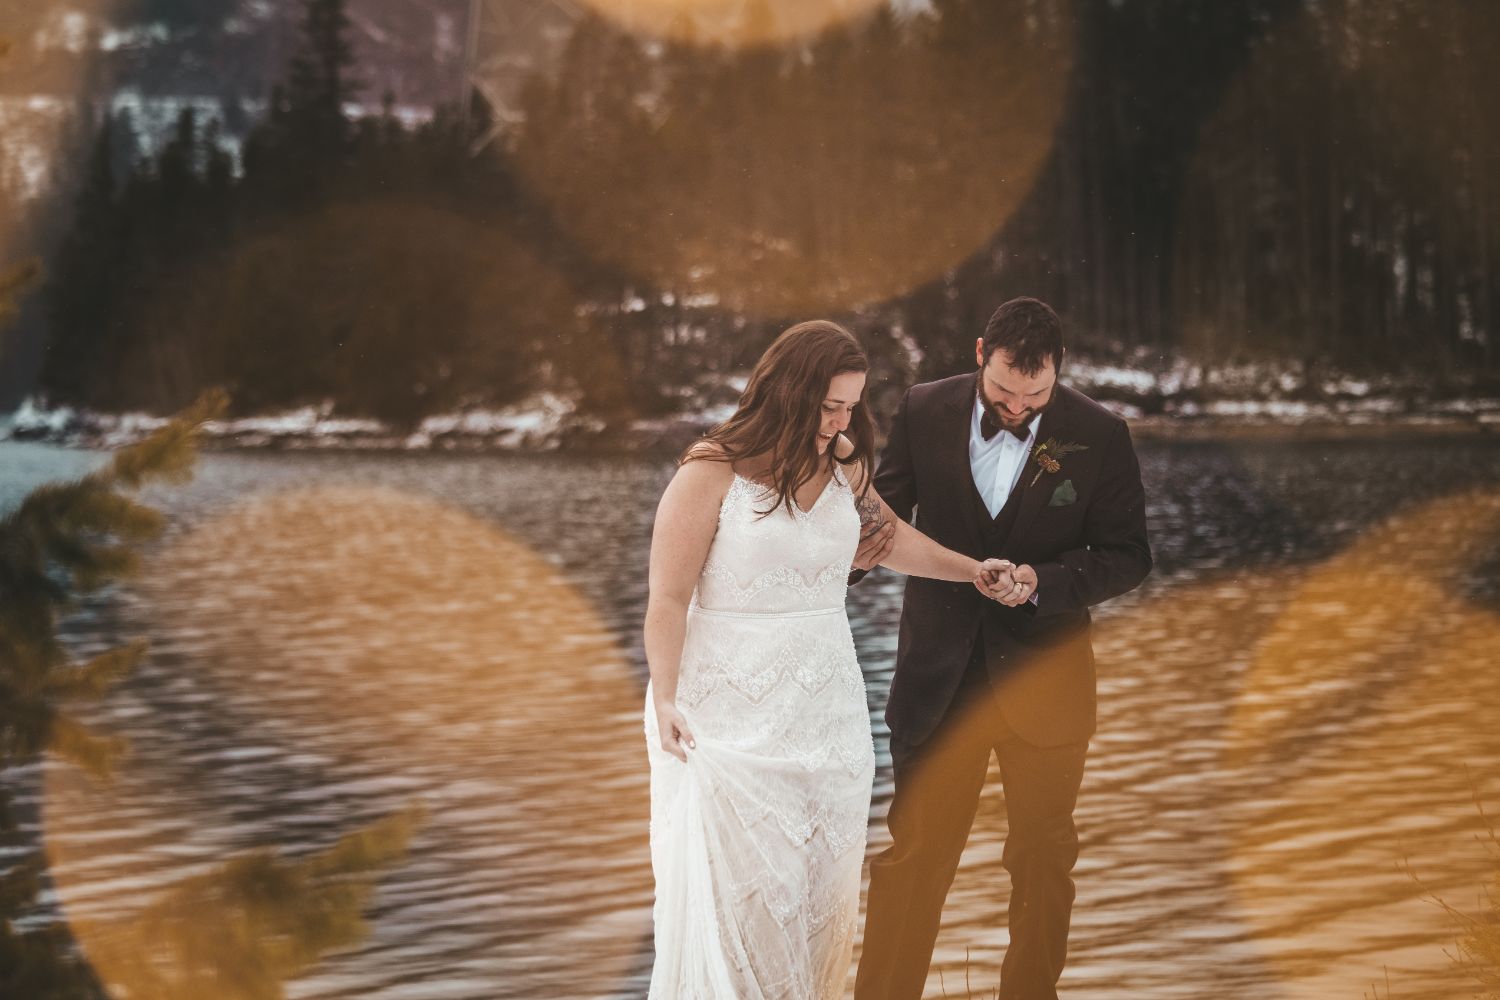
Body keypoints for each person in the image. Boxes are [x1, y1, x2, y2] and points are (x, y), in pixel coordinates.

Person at [643, 320, 1009, 999]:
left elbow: (891, 539)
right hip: (727, 716)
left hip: (827, 716)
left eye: (851, 406)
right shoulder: (710, 471)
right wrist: (665, 698)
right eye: (828, 405)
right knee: (745, 902)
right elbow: (667, 599)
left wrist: (974, 571)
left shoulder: (845, 465)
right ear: (787, 391)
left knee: (818, 902)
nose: (841, 421)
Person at [852, 297, 1153, 1000]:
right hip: (936, 682)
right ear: (980, 353)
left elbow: (1128, 556)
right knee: (915, 861)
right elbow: (884, 519)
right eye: (1003, 393)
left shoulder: (1100, 433)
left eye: (1035, 395)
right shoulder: (924, 409)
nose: (1017, 407)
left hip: (1046, 688)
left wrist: (1043, 582)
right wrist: (842, 557)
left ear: (1058, 373)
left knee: (1043, 863)